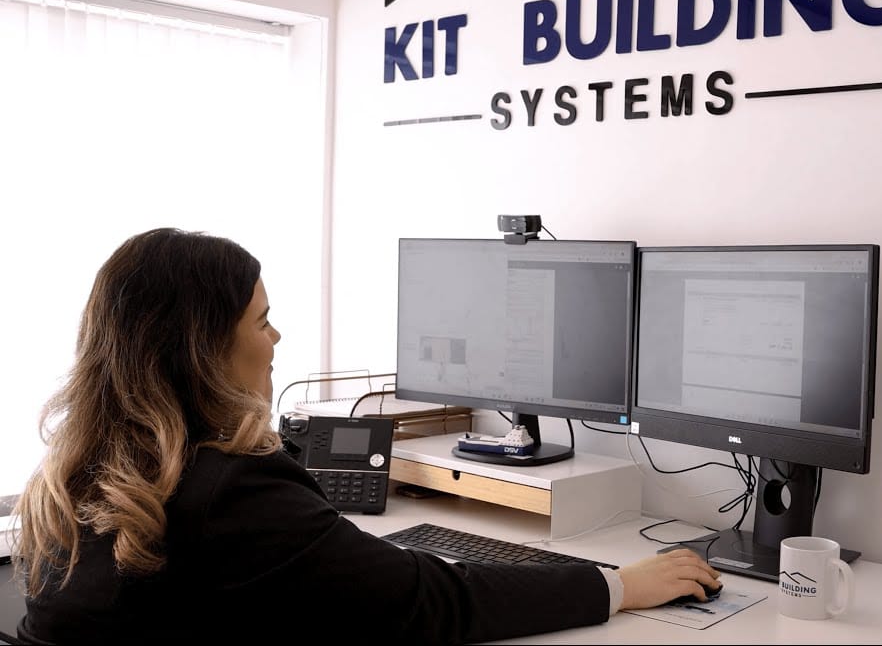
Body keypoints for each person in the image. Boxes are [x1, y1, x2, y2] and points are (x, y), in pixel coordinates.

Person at [13, 227, 721, 645]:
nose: (276, 336)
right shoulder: (232, 489)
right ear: (204, 347)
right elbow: (427, 600)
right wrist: (616, 585)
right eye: (261, 320)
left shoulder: (77, 470)